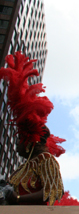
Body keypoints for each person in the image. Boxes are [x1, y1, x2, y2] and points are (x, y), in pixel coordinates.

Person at [0, 52, 65, 205]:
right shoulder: (25, 166)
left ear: (30, 141)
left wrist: (15, 198)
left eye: (19, 139)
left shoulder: (46, 159)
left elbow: (54, 191)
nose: (16, 145)